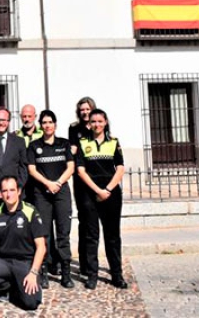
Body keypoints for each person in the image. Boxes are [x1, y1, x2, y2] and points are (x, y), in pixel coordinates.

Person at [0, 176, 47, 311]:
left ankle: (22, 286)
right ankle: (9, 286)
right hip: (4, 261)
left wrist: (33, 272)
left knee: (31, 304)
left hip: (25, 262)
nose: (9, 194)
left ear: (19, 191)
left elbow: (41, 247)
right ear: (1, 193)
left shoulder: (30, 211)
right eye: (5, 191)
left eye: (12, 190)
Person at [75, 108, 127, 290]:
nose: (96, 124)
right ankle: (92, 275)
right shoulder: (82, 143)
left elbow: (120, 168)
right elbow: (80, 171)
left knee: (112, 236)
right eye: (93, 121)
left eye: (100, 121)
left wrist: (107, 189)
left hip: (111, 195)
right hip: (89, 194)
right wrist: (97, 190)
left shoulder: (114, 142)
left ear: (105, 122)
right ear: (89, 124)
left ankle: (117, 275)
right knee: (91, 236)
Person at [27, 109, 75, 288]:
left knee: (63, 233)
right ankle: (44, 271)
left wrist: (58, 183)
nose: (47, 125)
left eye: (50, 122)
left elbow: (70, 167)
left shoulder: (64, 144)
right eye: (44, 122)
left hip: (61, 193)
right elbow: (32, 170)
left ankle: (65, 272)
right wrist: (48, 183)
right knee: (44, 233)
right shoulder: (34, 146)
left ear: (55, 125)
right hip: (42, 194)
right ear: (41, 125)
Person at [69, 96, 95, 277]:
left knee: (95, 225)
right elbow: (73, 150)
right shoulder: (74, 128)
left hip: (97, 176)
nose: (85, 112)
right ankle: (85, 264)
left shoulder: (98, 125)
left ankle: (94, 262)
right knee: (84, 221)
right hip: (80, 178)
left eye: (88, 109)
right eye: (82, 110)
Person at [0, 108, 28, 203]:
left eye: (4, 120)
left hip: (14, 196)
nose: (1, 123)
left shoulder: (19, 142)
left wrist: (17, 188)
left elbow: (23, 168)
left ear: (8, 121)